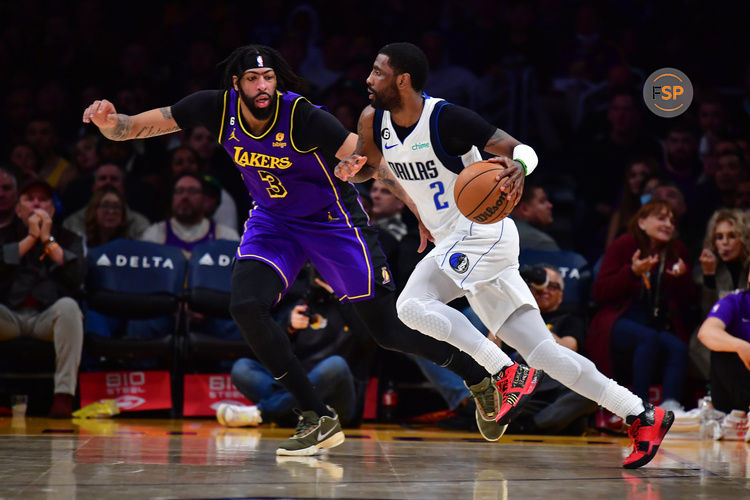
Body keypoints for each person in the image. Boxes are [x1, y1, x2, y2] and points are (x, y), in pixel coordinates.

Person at [82, 44, 530, 456]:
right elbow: (132, 128)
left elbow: (373, 164)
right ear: (236, 84)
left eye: (270, 79)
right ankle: (317, 416)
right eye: (254, 80)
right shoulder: (214, 109)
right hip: (273, 221)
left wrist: (417, 209)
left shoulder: (302, 117)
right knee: (245, 304)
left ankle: (480, 377)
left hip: (332, 222)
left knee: (387, 330)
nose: (263, 87)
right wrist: (110, 122)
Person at [335, 42, 671, 468]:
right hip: (454, 241)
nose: (368, 79)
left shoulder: (447, 118)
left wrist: (520, 168)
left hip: (483, 233)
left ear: (402, 80)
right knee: (544, 353)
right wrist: (358, 172)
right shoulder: (372, 119)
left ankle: (500, 370)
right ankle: (641, 414)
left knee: (411, 306)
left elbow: (521, 150)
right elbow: (375, 166)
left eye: (378, 72)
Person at [217, 269, 367, 428]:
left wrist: (339, 296)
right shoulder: (305, 303)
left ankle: (262, 413)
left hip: (337, 400)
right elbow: (272, 350)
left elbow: (367, 339)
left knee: (336, 365)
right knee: (242, 368)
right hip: (299, 386)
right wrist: (288, 327)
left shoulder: (356, 305)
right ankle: (292, 414)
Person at [588, 200, 695, 413]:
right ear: (642, 222)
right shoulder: (624, 244)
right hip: (620, 319)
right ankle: (638, 406)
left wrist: (681, 278)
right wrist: (631, 273)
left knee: (678, 347)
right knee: (648, 338)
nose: (668, 225)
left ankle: (671, 405)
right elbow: (600, 291)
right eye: (661, 218)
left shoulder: (677, 251)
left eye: (672, 221)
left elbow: (687, 301)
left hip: (655, 322)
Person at [0, 178, 85, 417]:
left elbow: (76, 275)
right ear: (18, 209)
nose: (37, 204)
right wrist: (30, 238)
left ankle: (63, 396)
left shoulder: (70, 239)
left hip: (46, 318)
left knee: (69, 307)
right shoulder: (4, 236)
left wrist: (47, 239)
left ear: (52, 209)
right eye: (30, 199)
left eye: (43, 199)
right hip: (9, 316)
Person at [140, 173, 239, 255]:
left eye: (192, 191)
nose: (185, 197)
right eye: (179, 191)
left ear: (203, 198)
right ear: (172, 197)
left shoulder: (226, 236)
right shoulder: (154, 235)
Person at [697, 268, 750, 414]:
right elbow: (706, 332)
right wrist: (741, 346)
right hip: (738, 385)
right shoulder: (734, 301)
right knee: (723, 351)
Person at [62, 163, 150, 239]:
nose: (108, 182)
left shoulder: (140, 224)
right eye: (103, 178)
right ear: (93, 186)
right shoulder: (72, 223)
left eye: (114, 179)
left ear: (123, 187)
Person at [512, 183, 559, 251]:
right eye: (542, 201)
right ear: (524, 208)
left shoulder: (499, 230)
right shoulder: (542, 243)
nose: (550, 205)